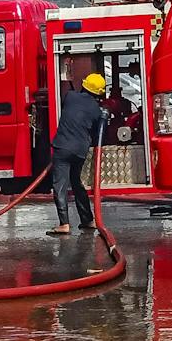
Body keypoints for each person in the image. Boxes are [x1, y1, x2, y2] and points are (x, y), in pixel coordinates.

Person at [46, 72, 109, 235]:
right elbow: (97, 133)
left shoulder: (71, 97)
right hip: (80, 151)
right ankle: (88, 220)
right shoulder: (96, 110)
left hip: (62, 147)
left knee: (60, 185)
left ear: (85, 85)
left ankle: (64, 224)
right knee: (76, 183)